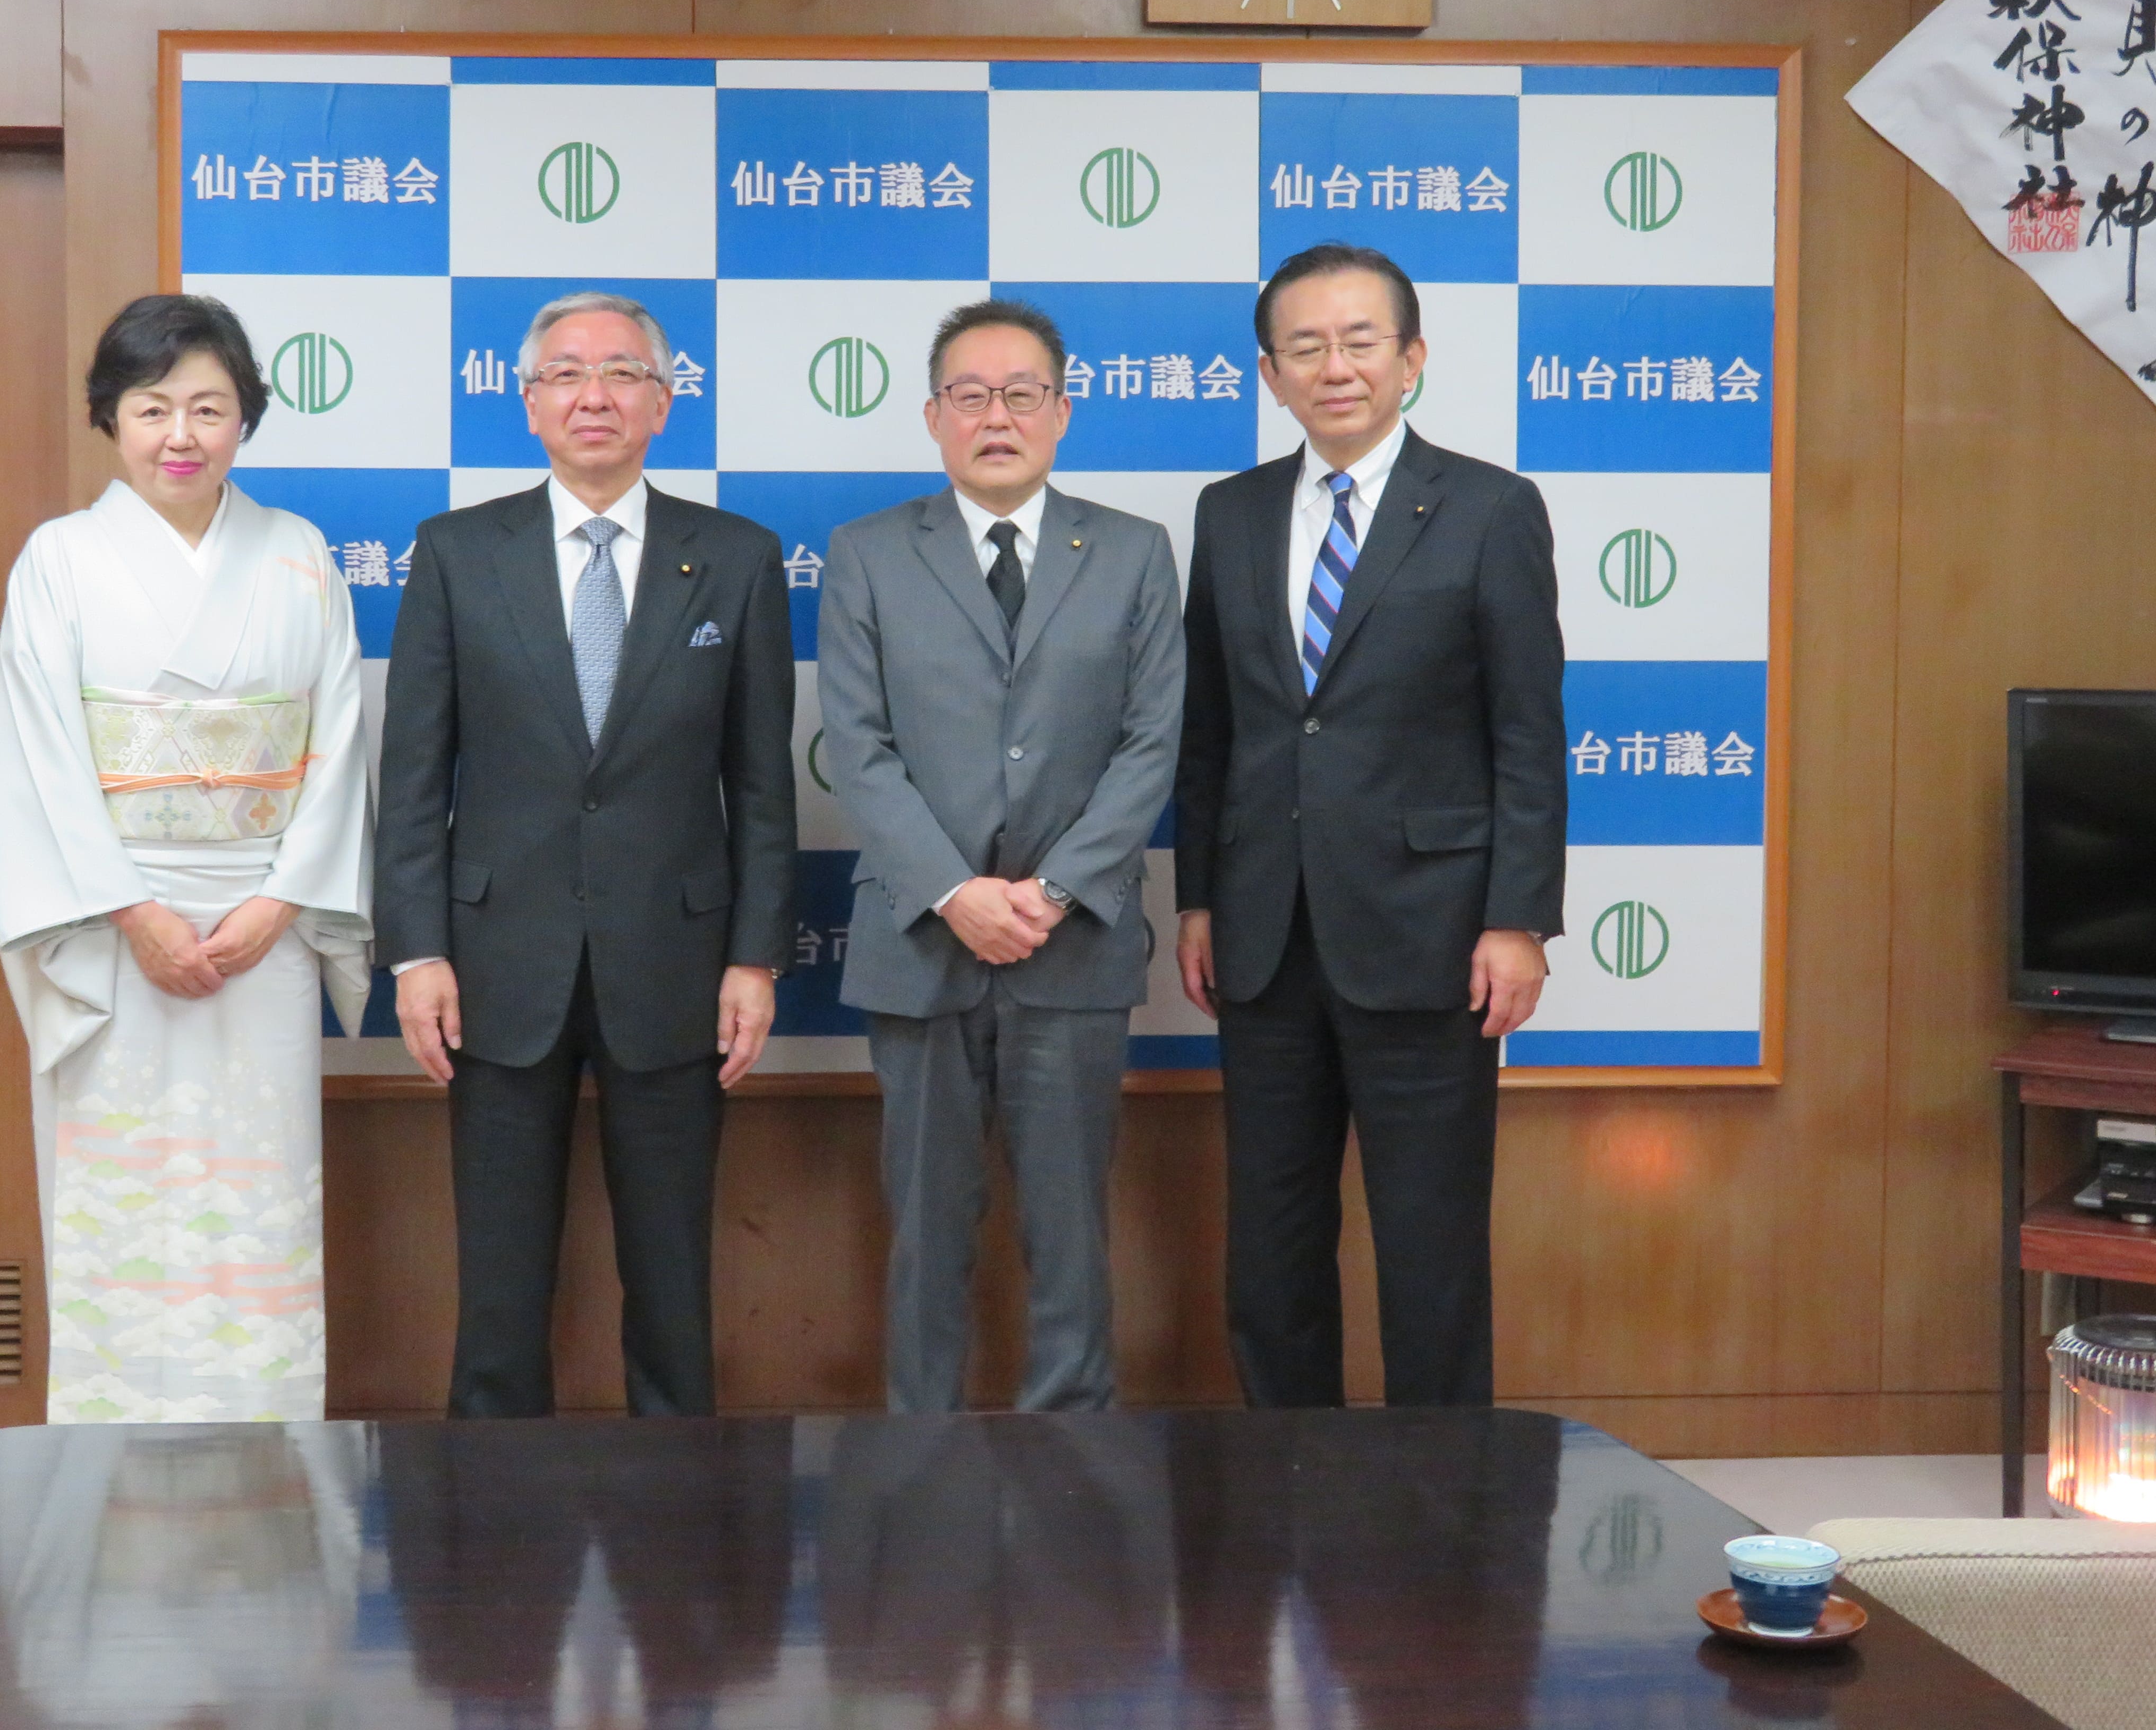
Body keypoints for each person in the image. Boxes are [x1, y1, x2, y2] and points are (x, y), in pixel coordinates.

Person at [376, 290, 795, 1419]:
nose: (594, 395)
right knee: (500, 1289)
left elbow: (762, 783)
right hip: (496, 958)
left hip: (679, 958)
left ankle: (681, 1532)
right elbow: (414, 772)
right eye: (565, 374)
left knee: (672, 1280)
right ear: (527, 404)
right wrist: (416, 952)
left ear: (665, 401)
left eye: (622, 374)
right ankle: (489, 1519)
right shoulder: (459, 553)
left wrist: (754, 958)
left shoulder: (739, 558)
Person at [1173, 243, 1565, 1410]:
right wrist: (1198, 896)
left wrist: (1519, 922)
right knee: (1273, 1247)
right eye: (1305, 347)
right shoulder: (1230, 512)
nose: (1332, 367)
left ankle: (1442, 1516)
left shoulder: (1492, 507)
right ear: (1270, 373)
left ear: (1412, 360)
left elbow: (1529, 735)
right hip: (1263, 934)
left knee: (1430, 1250)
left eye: (1359, 342)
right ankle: (1288, 1480)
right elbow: (1214, 728)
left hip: (1433, 937)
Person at [0, 293, 372, 1423]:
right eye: (153, 409)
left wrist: (286, 896)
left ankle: (269, 1446)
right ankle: (112, 1456)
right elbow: (38, 753)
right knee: (123, 1195)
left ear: (248, 417)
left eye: (211, 407)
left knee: (257, 1193)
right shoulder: (59, 559)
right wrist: (133, 911)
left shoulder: (297, 556)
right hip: (114, 931)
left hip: (265, 930)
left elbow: (338, 739)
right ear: (110, 418)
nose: (182, 436)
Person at [817, 299, 1184, 1413]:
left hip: (1074, 948)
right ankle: (920, 1452)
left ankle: (1072, 1452)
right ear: (933, 417)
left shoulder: (1132, 553)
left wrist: (1057, 890)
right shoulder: (869, 554)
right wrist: (955, 891)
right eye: (970, 397)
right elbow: (856, 747)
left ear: (1064, 412)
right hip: (919, 943)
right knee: (927, 1227)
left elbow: (1150, 742)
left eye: (1023, 394)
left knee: (1070, 1231)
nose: (997, 417)